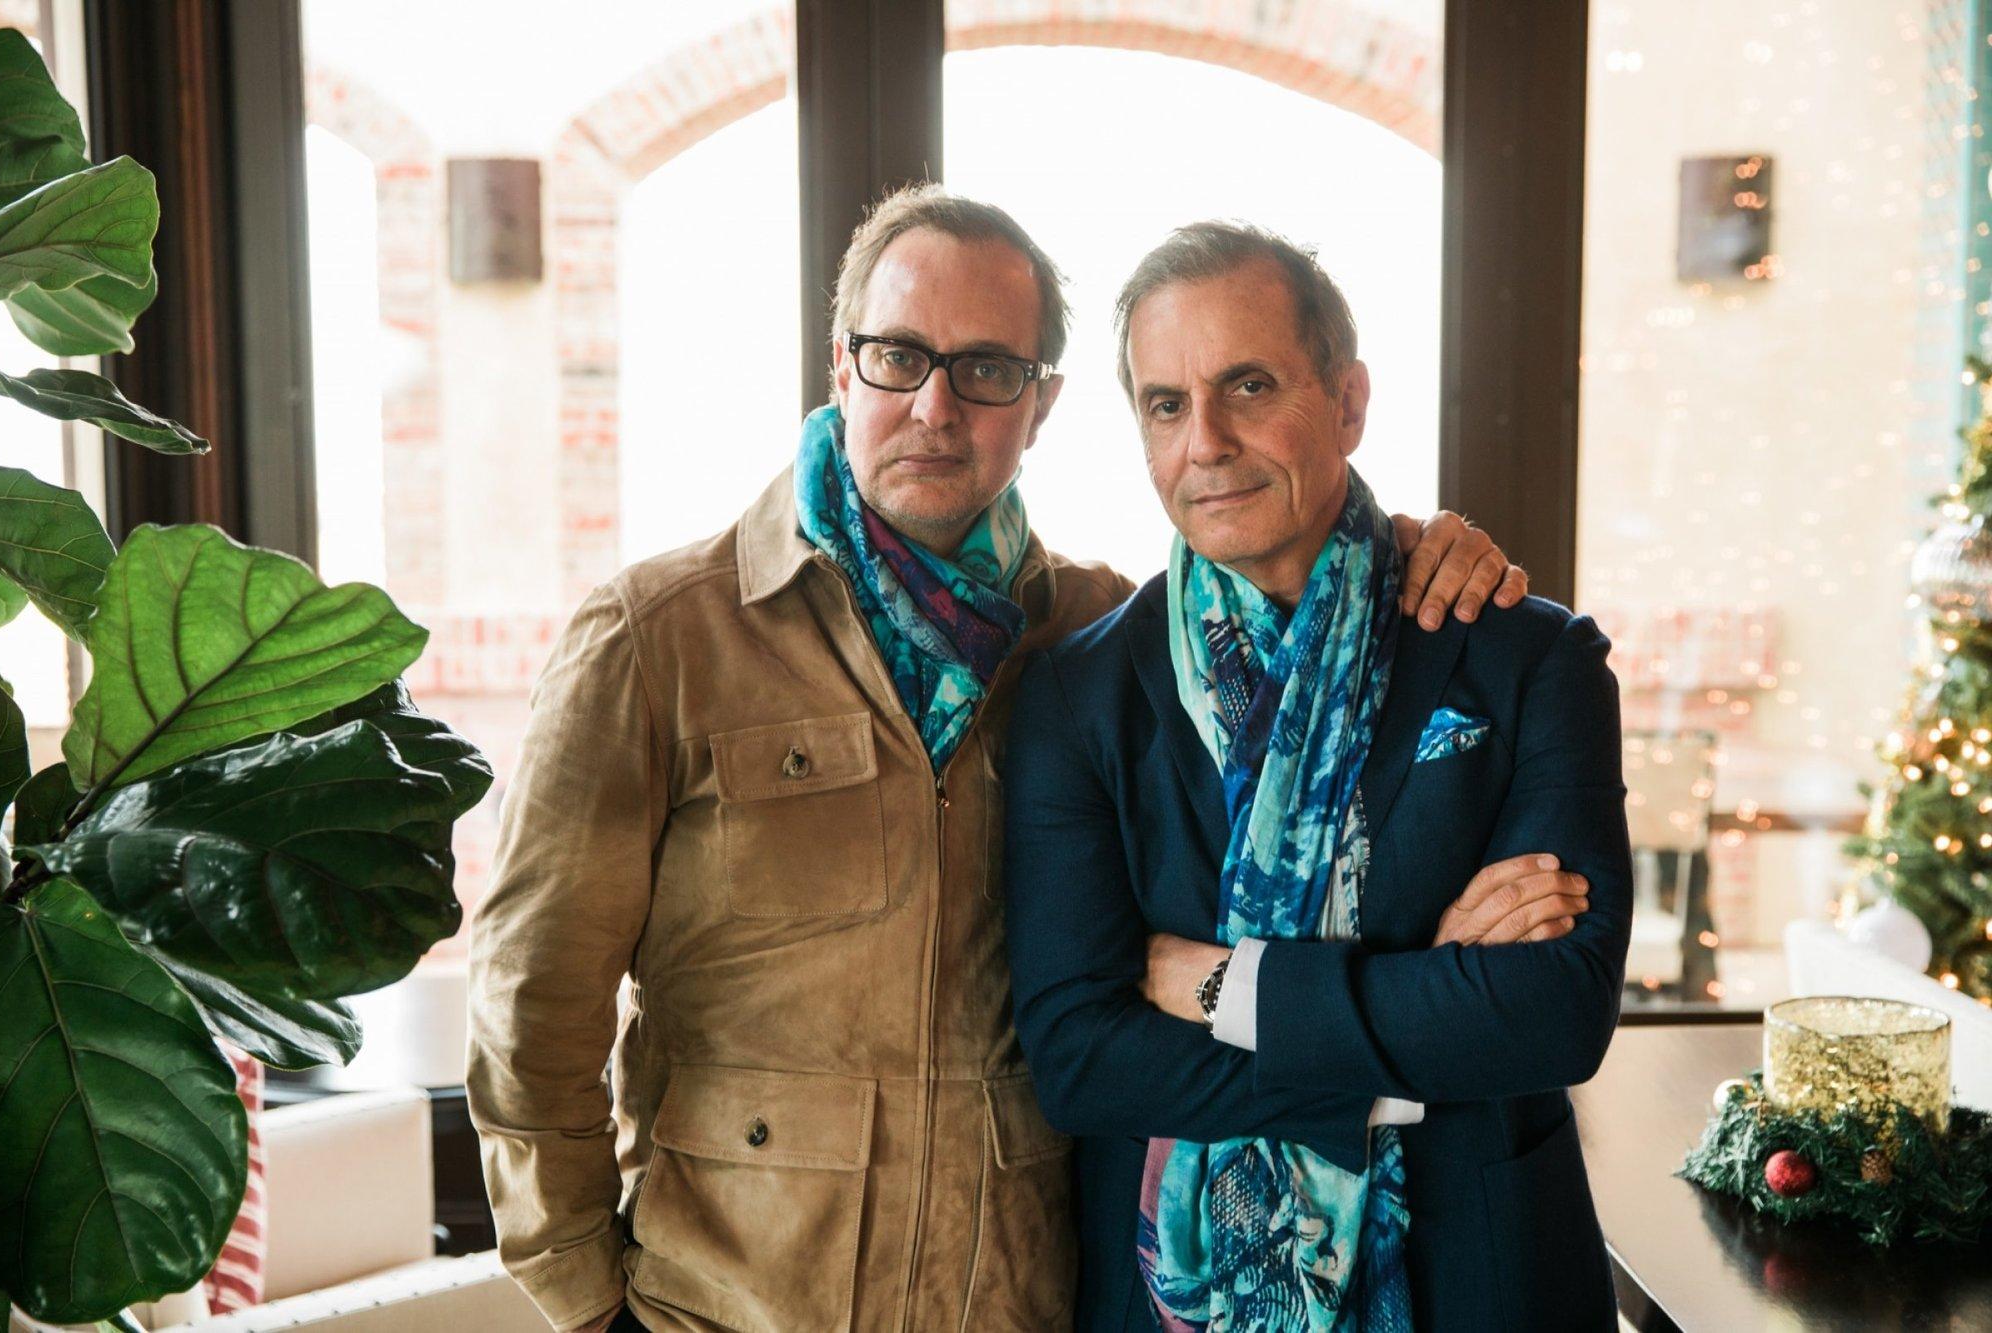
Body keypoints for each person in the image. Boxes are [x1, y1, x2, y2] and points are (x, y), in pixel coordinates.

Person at [465, 187, 1537, 1333]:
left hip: (1022, 1300)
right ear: (841, 368)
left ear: (1040, 406)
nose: (934, 405)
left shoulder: (1100, 640)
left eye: (985, 370)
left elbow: (1285, 629)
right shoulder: (661, 637)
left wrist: (1412, 554)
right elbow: (533, 1005)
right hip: (728, 1305)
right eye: (897, 357)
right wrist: (589, 1305)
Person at [1003, 221, 1630, 1331]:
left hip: (1480, 1281)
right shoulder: (1076, 698)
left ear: (1346, 401)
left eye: (1247, 385)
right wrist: (1415, 1019)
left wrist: (1223, 989)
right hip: (1166, 1297)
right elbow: (1082, 1059)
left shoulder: (1524, 656)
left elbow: (1552, 1012)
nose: (1204, 440)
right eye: (1163, 403)